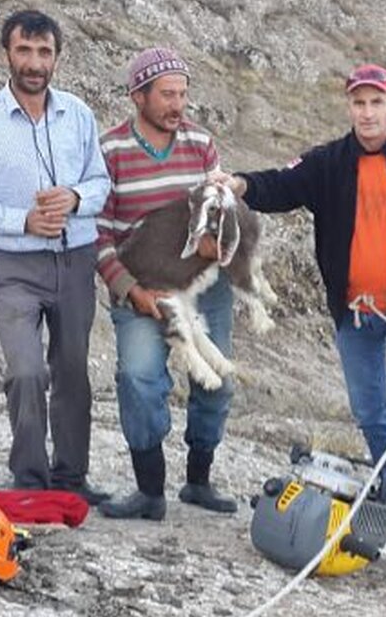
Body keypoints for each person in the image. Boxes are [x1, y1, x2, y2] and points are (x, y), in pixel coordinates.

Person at [221, 64, 386, 556]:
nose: (368, 112)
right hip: (355, 315)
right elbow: (281, 185)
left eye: (376, 102)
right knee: (370, 412)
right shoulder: (329, 163)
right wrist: (241, 184)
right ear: (349, 108)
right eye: (359, 103)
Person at [0, 10, 112, 503]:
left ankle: (71, 481)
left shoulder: (78, 115)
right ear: (6, 55)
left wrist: (75, 198)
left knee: (73, 371)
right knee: (26, 372)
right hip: (14, 267)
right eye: (24, 51)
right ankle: (31, 483)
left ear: (56, 57)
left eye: (44, 52)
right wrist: (22, 220)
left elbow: (101, 183)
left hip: (76, 261)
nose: (34, 63)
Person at [95, 47, 238, 521]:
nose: (178, 105)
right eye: (166, 95)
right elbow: (99, 233)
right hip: (141, 289)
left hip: (203, 288)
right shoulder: (110, 151)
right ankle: (150, 491)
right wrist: (132, 290)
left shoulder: (201, 144)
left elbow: (220, 212)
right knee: (138, 378)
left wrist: (219, 241)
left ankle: (198, 481)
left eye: (182, 94)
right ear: (138, 96)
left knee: (216, 383)